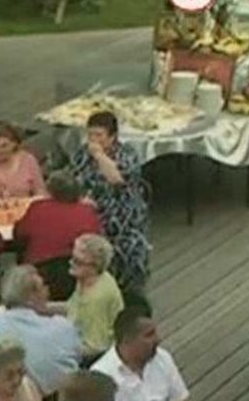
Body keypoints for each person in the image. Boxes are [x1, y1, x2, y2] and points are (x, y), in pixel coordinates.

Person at [92, 306, 199, 401]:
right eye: (149, 335)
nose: (158, 339)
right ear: (127, 340)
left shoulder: (162, 358)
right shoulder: (101, 373)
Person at [0, 265, 82, 396]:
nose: (47, 291)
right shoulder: (64, 327)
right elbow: (77, 357)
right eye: (43, 287)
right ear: (31, 296)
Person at [70, 111, 150, 291]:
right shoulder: (82, 153)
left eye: (99, 135)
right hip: (90, 210)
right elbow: (73, 178)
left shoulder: (126, 154)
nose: (93, 140)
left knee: (126, 246)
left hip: (122, 212)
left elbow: (116, 179)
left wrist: (99, 156)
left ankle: (128, 289)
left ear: (112, 137)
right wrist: (81, 198)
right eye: (90, 134)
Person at [13, 170, 102, 266]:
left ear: (50, 190)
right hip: (79, 268)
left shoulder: (38, 208)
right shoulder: (88, 211)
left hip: (39, 267)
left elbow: (19, 233)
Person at [63, 234, 125, 361]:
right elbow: (71, 307)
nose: (70, 263)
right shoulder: (88, 279)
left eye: (77, 261)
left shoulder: (96, 298)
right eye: (72, 258)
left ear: (94, 266)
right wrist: (40, 307)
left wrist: (58, 349)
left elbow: (96, 347)